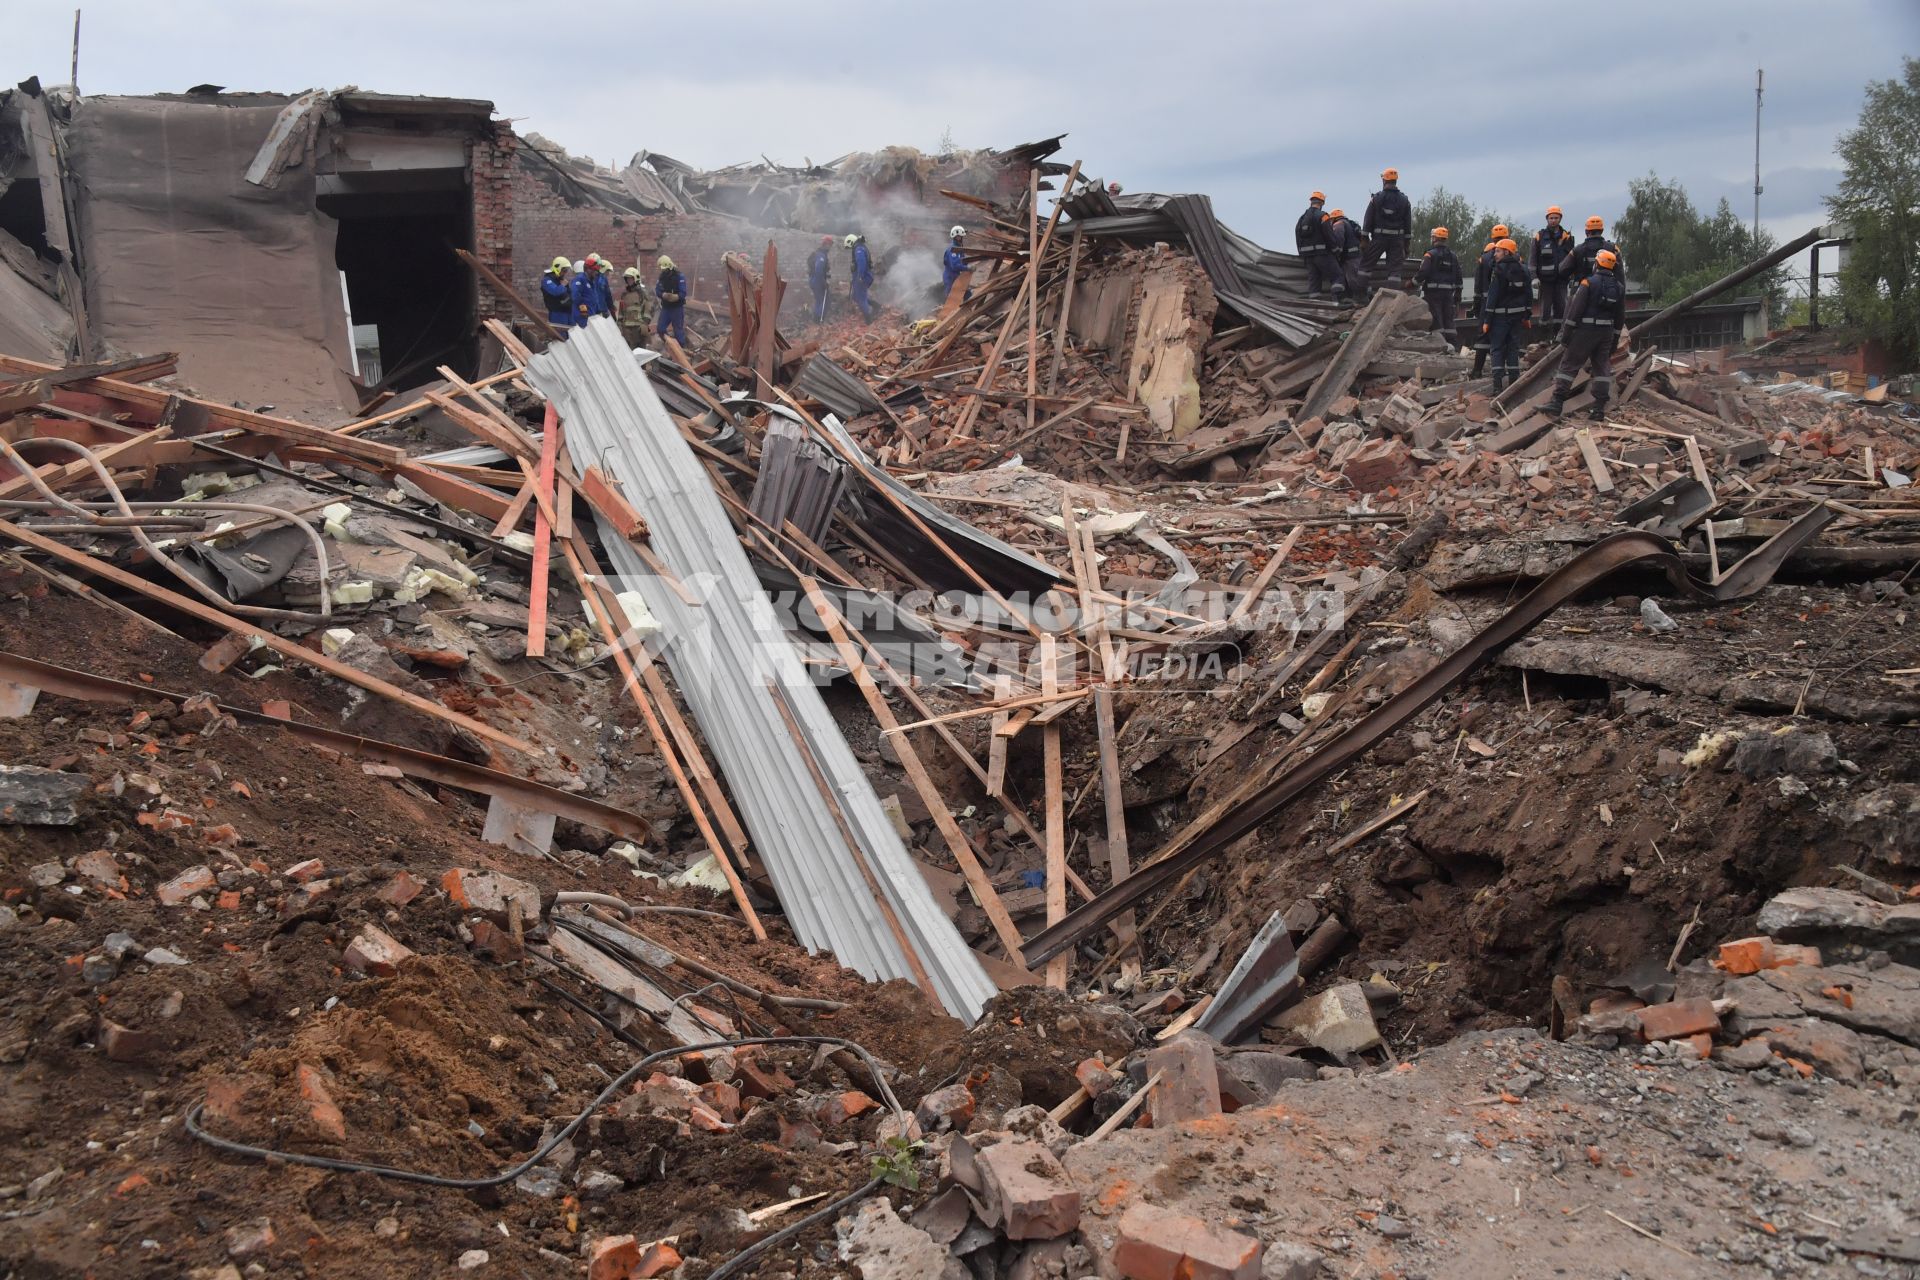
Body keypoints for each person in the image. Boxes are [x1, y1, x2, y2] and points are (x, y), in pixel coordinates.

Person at [1542, 248, 1628, 420]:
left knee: (1569, 364)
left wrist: (1565, 336)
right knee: (1602, 367)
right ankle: (1598, 409)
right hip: (1606, 333)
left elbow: (1574, 312)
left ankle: (1557, 402)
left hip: (1585, 332)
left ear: (1597, 264)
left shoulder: (1588, 283)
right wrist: (1615, 339)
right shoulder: (1619, 287)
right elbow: (1620, 317)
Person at [1479, 237, 1534, 394]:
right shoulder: (1523, 269)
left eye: (1497, 251)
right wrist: (1527, 315)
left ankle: (1497, 387)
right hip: (1517, 318)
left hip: (1499, 318)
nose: (1495, 254)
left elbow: (1493, 297)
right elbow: (1529, 294)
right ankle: (1514, 385)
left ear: (1506, 252)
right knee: (1512, 349)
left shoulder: (1499, 270)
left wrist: (1487, 320)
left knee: (1496, 349)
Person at [1468, 225, 1509, 378]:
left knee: (1483, 335)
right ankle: (1502, 371)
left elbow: (1478, 286)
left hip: (1487, 303)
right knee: (1504, 335)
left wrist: (1477, 306)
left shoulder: (1484, 258)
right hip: (1506, 303)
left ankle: (1477, 370)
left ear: (1492, 238)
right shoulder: (1513, 256)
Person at [1362, 167, 1412, 291]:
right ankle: (1391, 300)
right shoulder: (1404, 201)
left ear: (1384, 181)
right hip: (1397, 240)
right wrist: (1406, 245)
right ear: (1396, 181)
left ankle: (1360, 296)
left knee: (1365, 267)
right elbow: (1407, 226)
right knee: (1394, 272)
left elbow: (1368, 220)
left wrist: (1364, 239)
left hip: (1379, 239)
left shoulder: (1377, 199)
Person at [1412, 227, 1462, 345]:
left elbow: (1423, 272)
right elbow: (1459, 277)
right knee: (1448, 319)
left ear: (1434, 238)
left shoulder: (1430, 255)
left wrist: (1412, 283)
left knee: (1437, 318)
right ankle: (1453, 345)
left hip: (1433, 293)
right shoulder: (1453, 256)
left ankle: (1440, 345)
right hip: (1449, 294)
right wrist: (1458, 294)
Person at [1531, 208, 1576, 323]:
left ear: (1560, 219)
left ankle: (1558, 337)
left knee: (1562, 308)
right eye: (1551, 218)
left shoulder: (1567, 237)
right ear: (1547, 219)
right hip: (1545, 281)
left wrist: (1573, 276)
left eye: (1556, 218)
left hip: (1562, 280)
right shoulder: (1539, 237)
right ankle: (1544, 337)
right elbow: (1533, 259)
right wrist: (1534, 277)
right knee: (1545, 310)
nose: (1553, 220)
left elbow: (1573, 259)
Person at [1294, 191, 1340, 301]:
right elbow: (1329, 234)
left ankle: (1315, 305)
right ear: (1322, 203)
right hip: (1322, 254)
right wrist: (1336, 250)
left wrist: (1301, 253)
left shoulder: (1302, 218)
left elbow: (1297, 235)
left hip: (1307, 257)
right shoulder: (1323, 216)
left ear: (1311, 202)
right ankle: (1338, 301)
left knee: (1314, 281)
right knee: (1337, 275)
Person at [1326, 207, 1367, 305]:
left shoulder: (1338, 224)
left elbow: (1339, 240)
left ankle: (1361, 300)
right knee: (1357, 278)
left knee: (1353, 279)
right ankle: (1362, 299)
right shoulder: (1351, 224)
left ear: (1334, 218)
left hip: (1350, 257)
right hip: (1357, 255)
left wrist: (1337, 254)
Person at [1570, 216, 1624, 281]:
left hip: (1582, 288)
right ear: (1602, 231)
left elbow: (1563, 269)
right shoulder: (1613, 248)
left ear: (1586, 231)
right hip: (1605, 289)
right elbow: (1620, 274)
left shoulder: (1577, 249)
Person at [654, 254, 688, 347]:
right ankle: (671, 346)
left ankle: (683, 351)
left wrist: (675, 297)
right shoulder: (661, 277)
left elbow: (683, 293)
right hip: (666, 308)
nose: (662, 271)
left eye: (664, 269)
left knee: (678, 331)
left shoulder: (679, 276)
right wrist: (663, 295)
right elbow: (657, 290)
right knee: (660, 329)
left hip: (677, 308)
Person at [618, 266, 654, 347]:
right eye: (627, 279)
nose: (629, 281)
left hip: (638, 329)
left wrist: (645, 324)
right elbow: (621, 312)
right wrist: (620, 325)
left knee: (641, 353)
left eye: (631, 278)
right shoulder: (624, 295)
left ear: (635, 279)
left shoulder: (642, 293)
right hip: (627, 329)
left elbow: (648, 310)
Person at [541, 257, 577, 330]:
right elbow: (555, 292)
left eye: (566, 271)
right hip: (557, 313)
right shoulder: (547, 280)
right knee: (561, 336)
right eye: (564, 271)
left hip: (568, 311)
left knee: (573, 334)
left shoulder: (561, 280)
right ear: (558, 269)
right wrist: (563, 285)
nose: (565, 273)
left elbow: (569, 293)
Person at [846, 233, 874, 321]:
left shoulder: (858, 249)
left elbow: (861, 263)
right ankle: (876, 305)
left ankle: (869, 319)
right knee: (856, 296)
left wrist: (860, 276)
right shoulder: (860, 247)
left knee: (861, 298)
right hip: (861, 277)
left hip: (862, 277)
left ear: (851, 242)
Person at [941, 226, 971, 302]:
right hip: (950, 278)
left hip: (956, 276)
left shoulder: (958, 248)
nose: (960, 238)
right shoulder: (953, 249)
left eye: (961, 236)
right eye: (958, 236)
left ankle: (967, 312)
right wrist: (967, 268)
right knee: (951, 301)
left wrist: (967, 266)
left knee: (967, 294)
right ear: (954, 237)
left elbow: (962, 261)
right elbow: (954, 266)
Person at [808, 235, 833, 322]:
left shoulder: (821, 254)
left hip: (815, 280)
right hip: (817, 281)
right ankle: (818, 321)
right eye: (830, 244)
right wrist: (824, 283)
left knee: (821, 300)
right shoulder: (821, 255)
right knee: (823, 301)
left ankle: (817, 319)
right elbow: (818, 271)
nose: (830, 247)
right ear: (826, 244)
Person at [583, 253, 615, 318]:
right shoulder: (583, 279)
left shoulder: (603, 278)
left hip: (602, 312)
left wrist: (611, 310)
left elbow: (608, 296)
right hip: (590, 312)